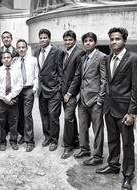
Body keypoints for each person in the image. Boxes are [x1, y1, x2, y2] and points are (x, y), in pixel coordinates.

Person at [96, 27, 137, 190]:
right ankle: (113, 165)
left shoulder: (135, 58)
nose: (113, 42)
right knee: (112, 140)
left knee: (127, 144)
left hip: (125, 110)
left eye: (117, 39)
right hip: (109, 108)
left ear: (124, 40)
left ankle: (128, 175)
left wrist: (132, 112)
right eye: (111, 39)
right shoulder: (108, 58)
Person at [65, 32, 107, 166]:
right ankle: (84, 149)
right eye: (85, 41)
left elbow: (104, 80)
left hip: (95, 100)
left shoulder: (102, 57)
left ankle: (98, 156)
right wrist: (70, 93)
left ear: (95, 42)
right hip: (82, 99)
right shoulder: (83, 57)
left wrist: (100, 99)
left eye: (90, 41)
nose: (88, 43)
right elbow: (78, 77)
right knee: (82, 127)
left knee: (97, 129)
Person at [34, 28, 64, 151]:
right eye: (41, 37)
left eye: (45, 37)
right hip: (41, 90)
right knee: (44, 115)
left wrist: (59, 89)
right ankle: (47, 137)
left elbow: (61, 72)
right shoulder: (36, 52)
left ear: (49, 39)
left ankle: (54, 140)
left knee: (53, 116)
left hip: (54, 90)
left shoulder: (57, 52)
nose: (42, 39)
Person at [61, 30, 84, 159]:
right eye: (66, 40)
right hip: (63, 91)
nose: (67, 42)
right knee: (70, 117)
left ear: (75, 40)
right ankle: (75, 140)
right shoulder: (65, 53)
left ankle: (68, 147)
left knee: (68, 118)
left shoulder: (79, 52)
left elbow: (77, 75)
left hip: (72, 92)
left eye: (70, 40)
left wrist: (69, 93)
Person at [0, 52, 23, 151]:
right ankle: (2, 142)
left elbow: (19, 85)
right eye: (4, 58)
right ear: (1, 60)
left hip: (13, 99)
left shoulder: (17, 71)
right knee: (1, 122)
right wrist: (4, 97)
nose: (6, 59)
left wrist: (10, 96)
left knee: (13, 121)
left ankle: (13, 141)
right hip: (1, 100)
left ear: (11, 59)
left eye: (8, 57)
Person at [13, 39, 38, 152]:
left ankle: (30, 141)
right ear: (17, 49)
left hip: (28, 89)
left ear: (26, 48)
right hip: (18, 90)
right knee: (20, 114)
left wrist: (34, 88)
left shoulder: (33, 60)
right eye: (19, 47)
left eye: (23, 47)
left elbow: (37, 75)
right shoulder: (15, 61)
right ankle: (23, 135)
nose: (21, 49)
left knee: (27, 114)